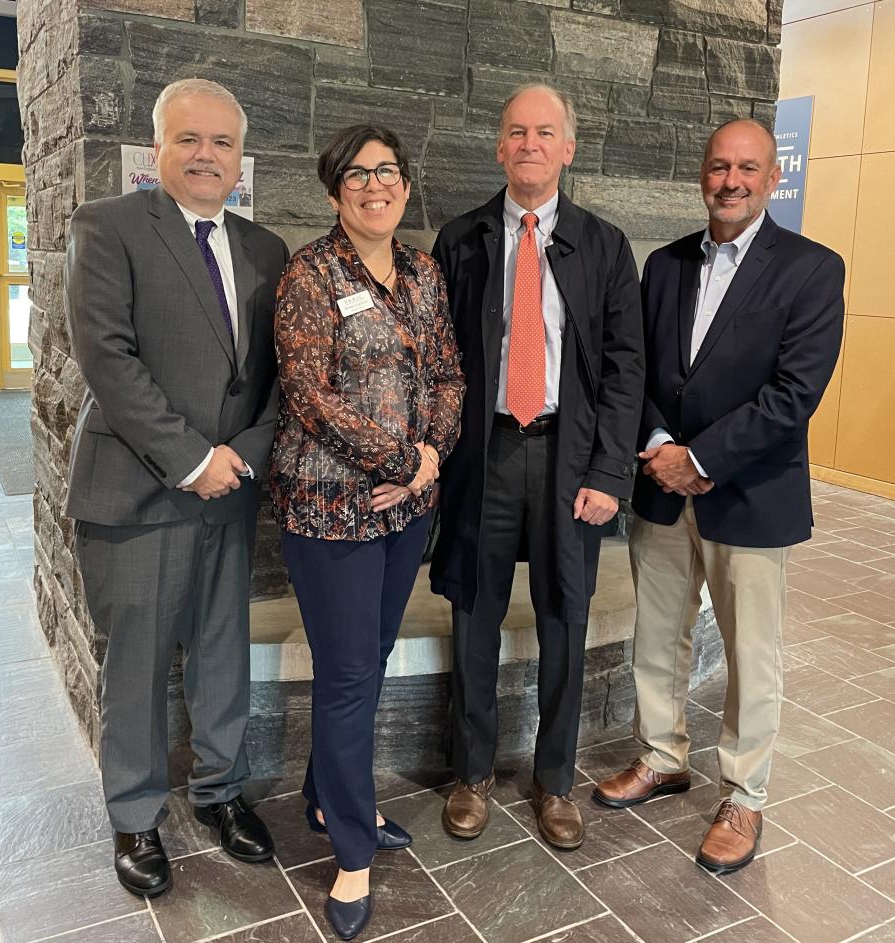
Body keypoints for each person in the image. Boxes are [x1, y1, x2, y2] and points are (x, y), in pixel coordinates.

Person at [593, 119, 845, 875]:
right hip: (665, 491)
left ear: (773, 178)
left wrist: (699, 458)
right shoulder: (665, 265)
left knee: (750, 652)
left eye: (746, 168)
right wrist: (664, 449)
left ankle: (744, 791)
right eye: (717, 167)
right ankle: (662, 754)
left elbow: (793, 395)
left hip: (750, 493)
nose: (729, 181)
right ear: (701, 175)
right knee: (658, 635)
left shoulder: (811, 269)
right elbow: (635, 369)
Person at [65, 78, 287, 897]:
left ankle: (221, 792)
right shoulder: (110, 227)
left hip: (231, 491)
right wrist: (194, 458)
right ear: (156, 149)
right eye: (188, 140)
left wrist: (245, 454)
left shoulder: (266, 250)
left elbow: (276, 380)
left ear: (239, 159)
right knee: (139, 665)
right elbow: (108, 361)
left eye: (222, 143)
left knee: (222, 652)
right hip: (141, 491)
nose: (205, 156)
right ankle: (134, 814)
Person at [431, 84, 646, 850]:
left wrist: (611, 473)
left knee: (566, 616)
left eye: (544, 131)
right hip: (481, 456)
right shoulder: (459, 240)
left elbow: (626, 371)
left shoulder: (605, 245)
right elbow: (436, 362)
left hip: (569, 458)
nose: (529, 143)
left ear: (568, 148)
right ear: (499, 147)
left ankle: (555, 781)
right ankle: (473, 772)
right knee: (474, 614)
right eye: (516, 131)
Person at [269, 124, 464, 940]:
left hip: (405, 510)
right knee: (349, 674)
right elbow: (310, 393)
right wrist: (398, 455)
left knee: (369, 658)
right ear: (334, 190)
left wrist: (426, 462)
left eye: (387, 172)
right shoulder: (309, 274)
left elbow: (450, 372)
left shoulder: (422, 271)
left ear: (406, 187)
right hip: (329, 510)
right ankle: (351, 850)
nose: (374, 185)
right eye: (357, 173)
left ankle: (324, 793)